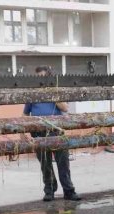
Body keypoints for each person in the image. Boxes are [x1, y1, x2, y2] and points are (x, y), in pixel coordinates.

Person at [24, 65, 82, 202]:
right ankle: (49, 191)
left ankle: (69, 191)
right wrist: (24, 130)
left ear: (49, 78)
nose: (41, 81)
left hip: (56, 132)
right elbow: (25, 114)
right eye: (38, 78)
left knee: (63, 163)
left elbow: (65, 108)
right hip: (38, 133)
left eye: (44, 78)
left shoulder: (57, 92)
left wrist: (52, 96)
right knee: (45, 164)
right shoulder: (32, 94)